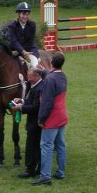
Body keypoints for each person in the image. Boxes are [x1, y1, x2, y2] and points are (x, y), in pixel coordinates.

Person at [32, 52, 68, 186]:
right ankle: (60, 172)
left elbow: (46, 102)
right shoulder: (62, 76)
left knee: (46, 146)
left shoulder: (49, 80)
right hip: (62, 116)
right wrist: (43, 71)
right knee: (61, 145)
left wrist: (41, 119)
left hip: (52, 118)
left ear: (52, 62)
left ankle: (45, 176)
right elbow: (52, 75)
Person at [11, 68, 43, 178]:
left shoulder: (39, 88)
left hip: (35, 123)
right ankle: (38, 168)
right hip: (34, 122)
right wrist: (22, 100)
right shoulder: (36, 86)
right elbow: (31, 101)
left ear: (37, 76)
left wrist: (21, 108)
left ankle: (30, 170)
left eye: (30, 76)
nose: (28, 79)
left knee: (31, 146)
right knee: (36, 146)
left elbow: (36, 107)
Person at [7, 2, 39, 67]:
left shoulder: (32, 25)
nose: (25, 17)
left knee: (34, 65)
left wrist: (25, 53)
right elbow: (14, 41)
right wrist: (22, 51)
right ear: (18, 14)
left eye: (27, 14)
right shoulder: (12, 26)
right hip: (15, 50)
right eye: (23, 14)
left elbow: (30, 41)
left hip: (30, 49)